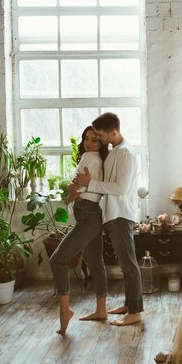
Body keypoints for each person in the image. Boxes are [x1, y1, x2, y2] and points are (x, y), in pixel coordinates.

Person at [72, 112, 142, 326]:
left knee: (128, 264)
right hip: (112, 213)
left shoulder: (127, 154)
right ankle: (129, 305)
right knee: (124, 262)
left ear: (113, 132)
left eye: (101, 135)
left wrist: (89, 183)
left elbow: (120, 188)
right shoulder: (115, 152)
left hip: (121, 213)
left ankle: (135, 312)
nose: (99, 139)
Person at [49, 126, 109, 335]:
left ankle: (65, 311)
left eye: (95, 140)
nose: (89, 143)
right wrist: (73, 191)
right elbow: (79, 187)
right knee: (96, 262)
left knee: (57, 260)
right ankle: (101, 309)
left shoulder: (88, 158)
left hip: (87, 215)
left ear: (101, 143)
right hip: (93, 214)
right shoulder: (100, 160)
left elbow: (75, 189)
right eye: (86, 139)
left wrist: (70, 193)